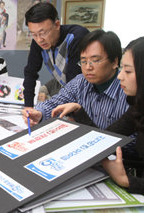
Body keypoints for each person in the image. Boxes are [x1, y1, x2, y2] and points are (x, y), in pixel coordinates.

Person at [51, 37, 144, 194]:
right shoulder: (138, 107)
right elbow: (106, 137)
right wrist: (78, 111)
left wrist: (125, 180)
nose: (120, 76)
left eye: (128, 71)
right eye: (84, 61)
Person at [22, 29, 128, 130]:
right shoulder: (80, 82)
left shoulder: (129, 91)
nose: (88, 67)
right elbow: (55, 102)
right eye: (83, 61)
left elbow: (131, 142)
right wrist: (39, 113)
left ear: (114, 62)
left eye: (95, 60)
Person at [22, 2, 89, 107]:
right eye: (34, 34)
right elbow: (30, 73)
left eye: (43, 33)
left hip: (89, 97)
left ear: (57, 25)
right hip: (69, 92)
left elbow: (75, 83)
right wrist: (28, 106)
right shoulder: (38, 42)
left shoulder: (76, 37)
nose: (39, 39)